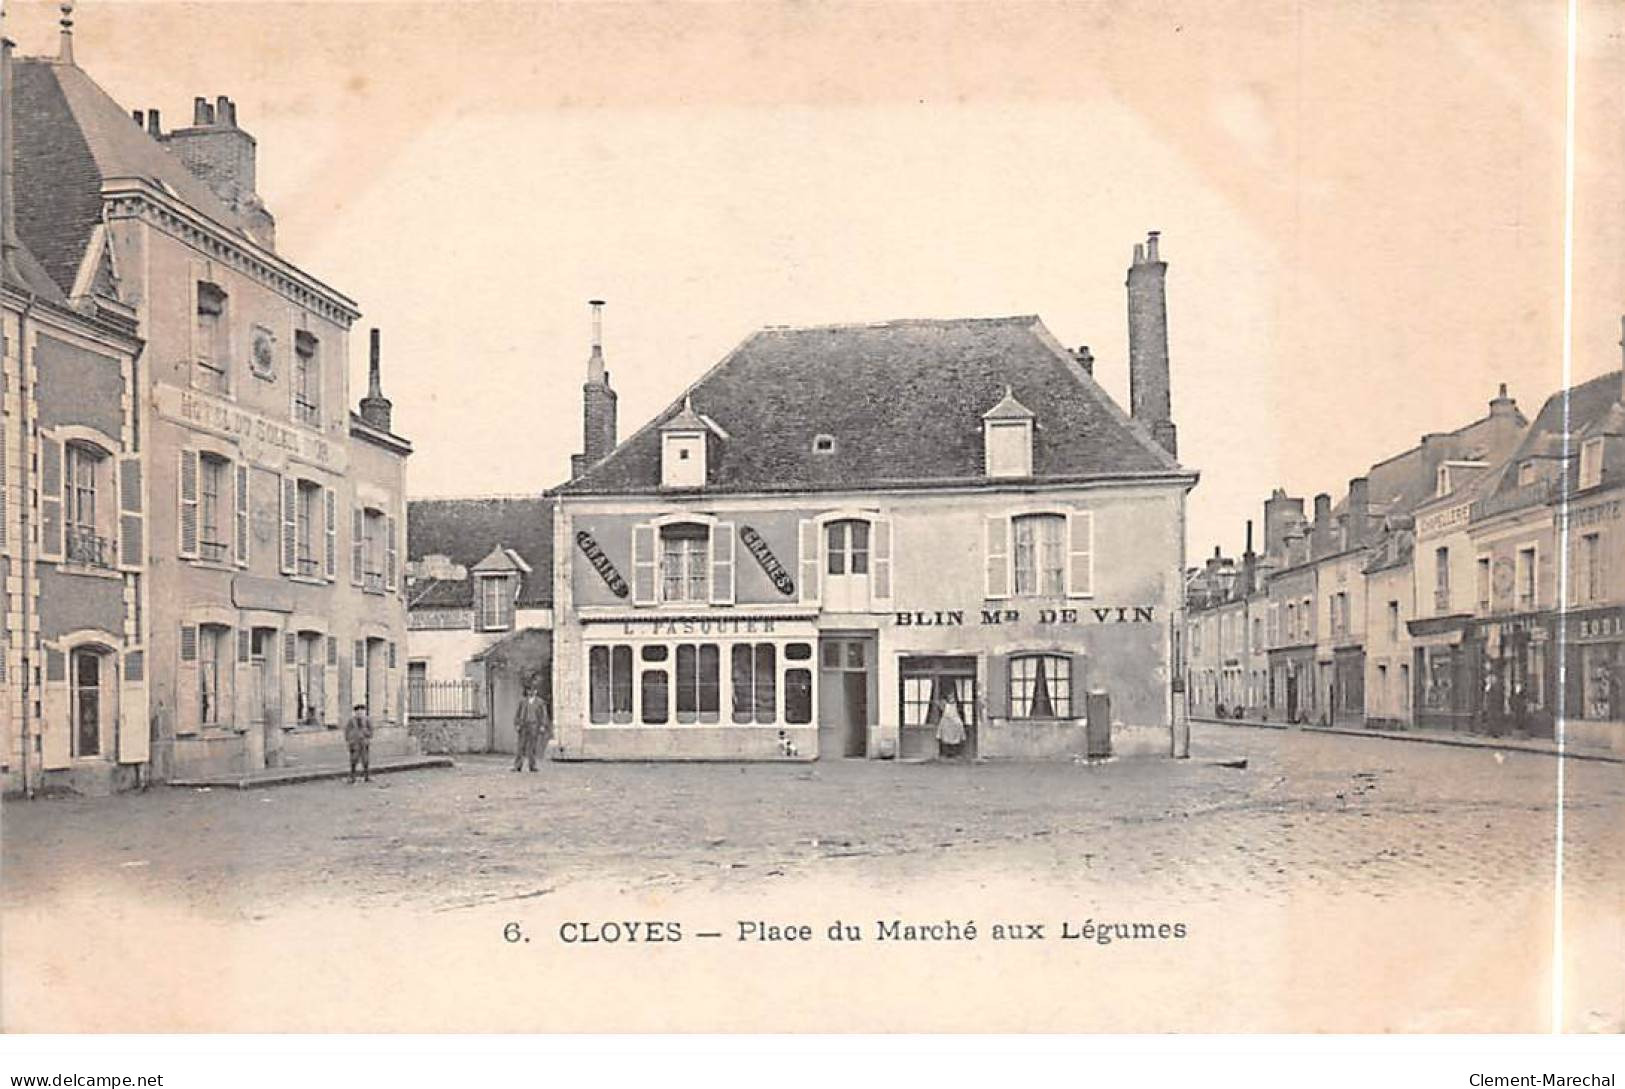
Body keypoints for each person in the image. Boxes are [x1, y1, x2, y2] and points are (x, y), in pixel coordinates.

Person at [513, 681, 551, 773]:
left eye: (533, 690)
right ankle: (518, 766)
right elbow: (518, 714)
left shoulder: (540, 702)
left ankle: (532, 765)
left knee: (532, 747)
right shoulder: (522, 702)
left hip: (534, 725)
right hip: (523, 725)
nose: (531, 692)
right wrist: (517, 724)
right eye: (529, 690)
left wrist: (542, 725)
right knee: (520, 746)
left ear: (536, 691)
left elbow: (544, 715)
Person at [344, 703, 373, 784]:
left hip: (364, 743)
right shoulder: (351, 721)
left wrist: (366, 733)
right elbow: (347, 731)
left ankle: (367, 776)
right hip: (354, 744)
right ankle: (352, 777)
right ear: (355, 712)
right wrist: (350, 740)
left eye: (361, 711)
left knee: (365, 760)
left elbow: (371, 732)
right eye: (358, 712)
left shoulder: (367, 720)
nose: (359, 713)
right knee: (354, 760)